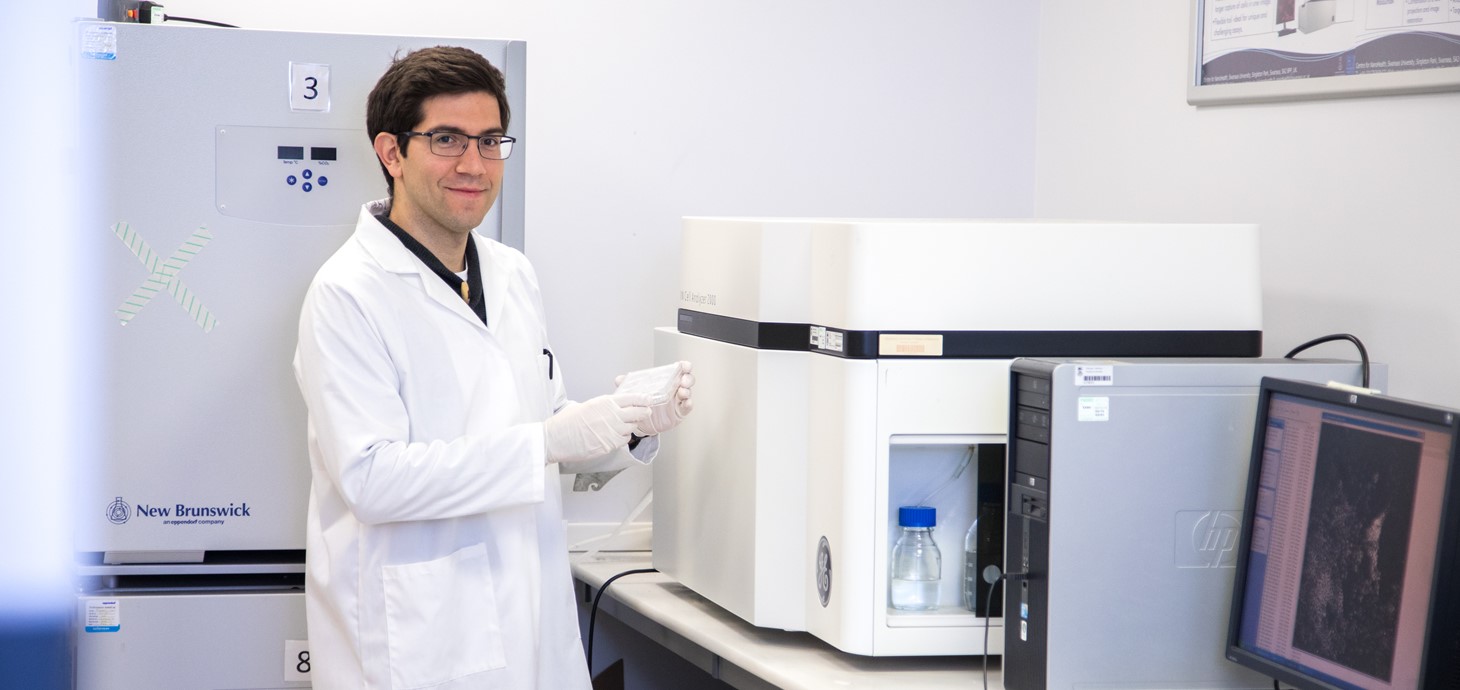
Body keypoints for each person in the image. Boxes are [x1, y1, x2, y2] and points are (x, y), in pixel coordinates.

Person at [293, 46, 693, 689]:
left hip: (529, 614)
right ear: (391, 153)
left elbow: (547, 425)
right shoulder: (347, 293)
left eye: (489, 141)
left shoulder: (511, 273)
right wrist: (547, 440)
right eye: (446, 140)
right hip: (422, 641)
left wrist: (629, 423)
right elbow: (372, 479)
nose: (474, 165)